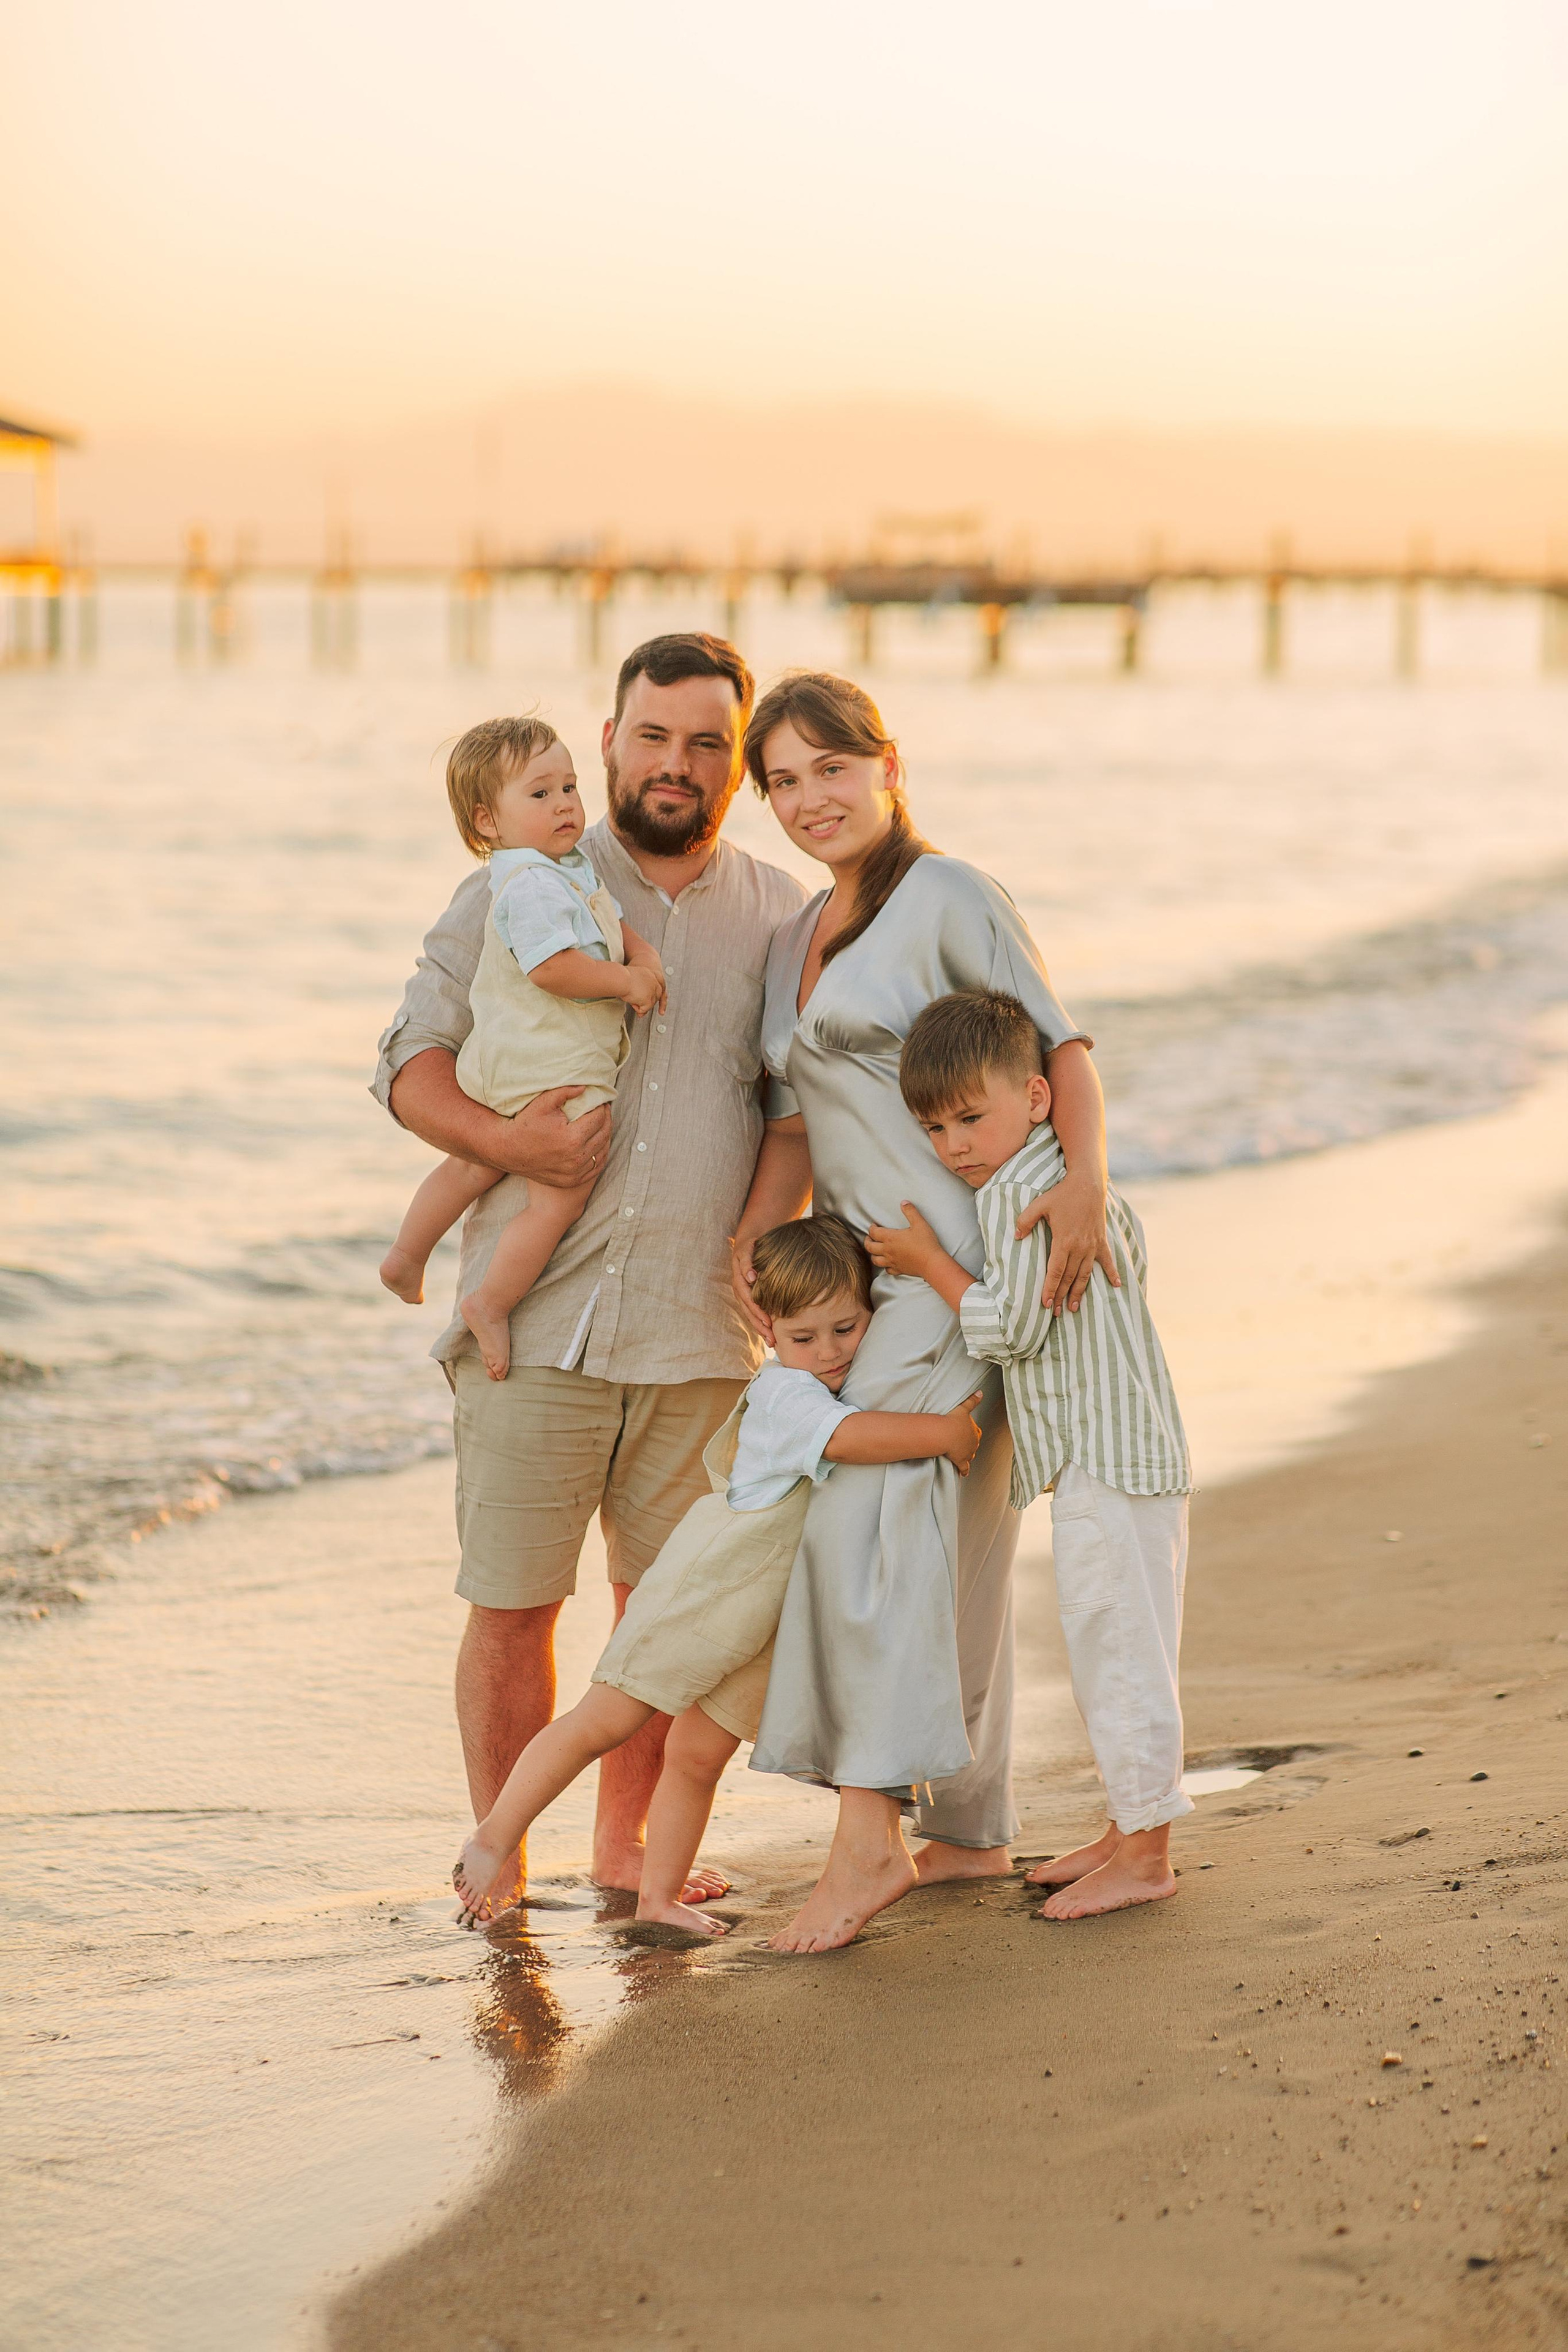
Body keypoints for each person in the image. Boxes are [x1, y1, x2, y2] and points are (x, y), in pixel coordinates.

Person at [372, 634, 807, 1913]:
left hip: (699, 1334)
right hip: (532, 1327)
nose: (677, 764)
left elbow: (794, 1113)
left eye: (707, 744)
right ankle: (497, 1854)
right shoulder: (521, 879)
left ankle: (626, 1860)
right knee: (513, 1609)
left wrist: (774, 1242)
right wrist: (508, 1142)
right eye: (653, 736)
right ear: (609, 739)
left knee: (668, 1619)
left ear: (738, 764)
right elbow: (408, 1061)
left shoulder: (783, 916)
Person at [731, 670, 1118, 1955]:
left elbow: (1059, 1051)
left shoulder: (948, 894)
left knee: (871, 1521)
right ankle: (966, 1832)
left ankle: (863, 1842)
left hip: (965, 1263)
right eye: (779, 781)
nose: (805, 800)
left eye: (827, 769)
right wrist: (757, 1245)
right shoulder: (801, 933)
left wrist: (1085, 1190)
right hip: (862, 1272)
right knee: (954, 1549)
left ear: (885, 763)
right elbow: (797, 1118)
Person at [450, 1215, 982, 1937]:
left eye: (845, 1329)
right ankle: (493, 1837)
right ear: (768, 1333)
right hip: (710, 1588)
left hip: (768, 1616)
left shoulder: (836, 1377)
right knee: (604, 1718)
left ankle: (657, 1898)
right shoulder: (784, 1395)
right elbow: (851, 1440)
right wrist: (946, 1433)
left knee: (698, 1755)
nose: (826, 1353)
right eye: (803, 1338)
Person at [866, 986, 1193, 1920]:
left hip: (1102, 1461)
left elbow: (1009, 1329)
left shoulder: (1021, 1198)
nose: (954, 1146)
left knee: (1117, 1651)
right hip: (1139, 1450)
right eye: (934, 1130)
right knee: (1130, 1644)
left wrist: (929, 1260)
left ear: (1038, 1098)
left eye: (971, 1117)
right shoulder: (1080, 1184)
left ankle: (1147, 1857)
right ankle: (1128, 1830)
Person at [380, 717, 668, 1381]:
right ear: (488, 823)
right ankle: (492, 1300)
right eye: (539, 794)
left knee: (469, 1166)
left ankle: (406, 1254)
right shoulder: (532, 886)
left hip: (503, 1058)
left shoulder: (564, 870)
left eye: (569, 786)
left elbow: (615, 926)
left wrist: (642, 956)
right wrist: (628, 982)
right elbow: (554, 969)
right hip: (551, 1067)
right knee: (558, 1197)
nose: (566, 803)